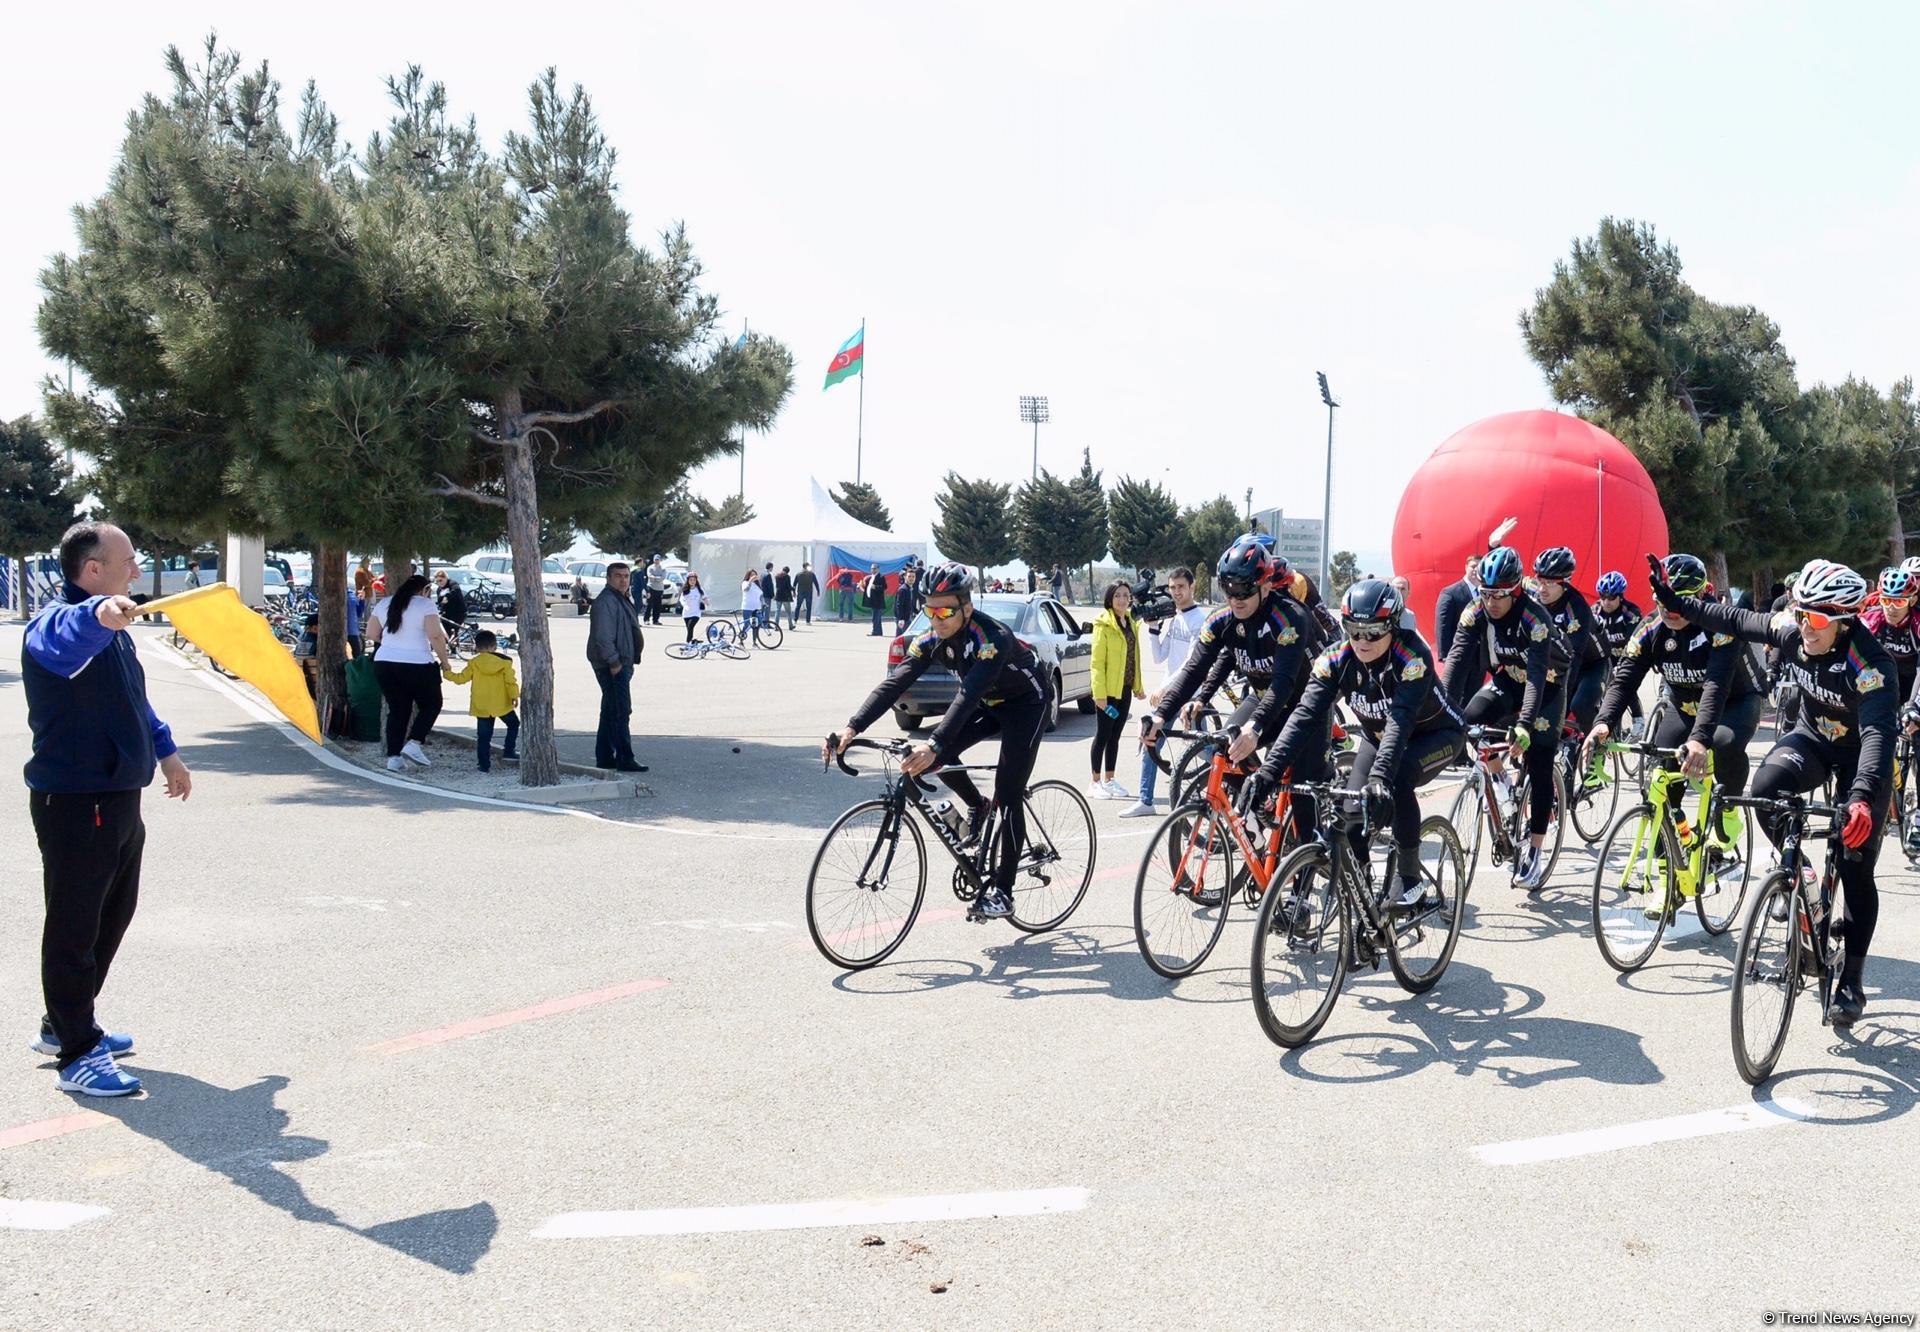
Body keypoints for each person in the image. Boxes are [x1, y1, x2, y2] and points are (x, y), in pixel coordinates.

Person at [1647, 556, 1891, 1024]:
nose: (1805, 627)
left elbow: (1878, 737)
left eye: (1816, 619)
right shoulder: (1793, 631)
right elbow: (1734, 618)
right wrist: (1677, 602)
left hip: (1862, 757)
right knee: (1765, 788)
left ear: (1842, 621)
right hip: (1815, 740)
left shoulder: (1869, 663)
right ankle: (1800, 878)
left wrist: (1861, 797)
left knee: (1856, 865)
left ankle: (1852, 982)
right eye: (1800, 615)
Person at [23, 521, 193, 1097]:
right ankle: (76, 1055)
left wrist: (166, 752)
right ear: (92, 571)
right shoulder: (58, 625)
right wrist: (98, 615)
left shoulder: (117, 633)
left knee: (111, 916)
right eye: (127, 562)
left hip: (118, 795)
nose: (137, 571)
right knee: (74, 927)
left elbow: (132, 701)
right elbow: (67, 629)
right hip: (76, 801)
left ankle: (65, 1022)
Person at [828, 563, 1051, 921]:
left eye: (945, 610)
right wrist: (851, 728)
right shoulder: (930, 638)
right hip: (991, 703)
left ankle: (1004, 892)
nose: (937, 618)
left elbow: (967, 694)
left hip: (1027, 703)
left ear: (966, 606)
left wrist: (932, 743)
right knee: (938, 759)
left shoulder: (991, 638)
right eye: (929, 609)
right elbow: (895, 683)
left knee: (1008, 792)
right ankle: (977, 805)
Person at [1244, 579, 1465, 909]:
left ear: (1392, 627)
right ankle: (1363, 896)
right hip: (1379, 739)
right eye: (1353, 630)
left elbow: (1400, 722)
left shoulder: (1411, 657)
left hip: (1435, 735)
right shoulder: (1334, 659)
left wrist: (1379, 781)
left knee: (1398, 777)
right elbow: (1304, 716)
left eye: (1373, 632)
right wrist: (1267, 774)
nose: (1362, 640)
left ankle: (1410, 879)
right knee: (1350, 816)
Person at [1587, 554, 1765, 904]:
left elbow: (1716, 685)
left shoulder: (1720, 625)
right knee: (1662, 778)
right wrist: (1603, 723)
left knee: (1723, 743)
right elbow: (1624, 680)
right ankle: (1670, 877)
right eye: (1665, 603)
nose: (1671, 612)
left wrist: (1699, 740)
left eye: (1681, 603)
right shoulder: (1652, 628)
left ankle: (1728, 810)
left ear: (1700, 597)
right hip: (1684, 707)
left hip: (1734, 703)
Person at [1142, 537, 1319, 836]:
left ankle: (1309, 858)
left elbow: (1284, 683)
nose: (1236, 597)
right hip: (1265, 698)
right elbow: (1194, 670)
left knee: (1302, 804)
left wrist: (1256, 728)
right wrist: (1161, 715)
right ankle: (1260, 810)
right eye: (1228, 589)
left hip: (1302, 707)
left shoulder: (1289, 618)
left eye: (1245, 589)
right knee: (1226, 745)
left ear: (1265, 586)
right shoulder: (1220, 620)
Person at [1442, 545, 1572, 890]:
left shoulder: (1535, 617)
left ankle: (1535, 851)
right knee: (1471, 720)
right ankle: (1501, 783)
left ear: (1515, 590)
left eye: (1500, 595)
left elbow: (1536, 675)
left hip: (1545, 688)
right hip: (1507, 679)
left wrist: (1526, 724)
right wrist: (1440, 709)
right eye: (1486, 594)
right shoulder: (1475, 611)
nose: (1492, 602)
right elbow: (1455, 661)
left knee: (1540, 761)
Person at [1120, 567, 1208, 818]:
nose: (1176, 592)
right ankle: (1145, 800)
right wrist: (1154, 628)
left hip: (1190, 694)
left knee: (1202, 747)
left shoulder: (1199, 620)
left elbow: (1191, 663)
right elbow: (1159, 657)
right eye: (1172, 587)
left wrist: (1164, 688)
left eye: (1181, 587)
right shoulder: (1175, 618)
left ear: (1192, 587)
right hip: (1171, 691)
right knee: (1151, 739)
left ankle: (1233, 775)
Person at [366, 574, 452, 773]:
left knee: (398, 710)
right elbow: (435, 635)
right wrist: (445, 662)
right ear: (425, 590)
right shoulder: (425, 604)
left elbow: (371, 633)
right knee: (432, 704)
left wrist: (391, 644)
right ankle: (414, 743)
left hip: (385, 662)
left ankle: (394, 758)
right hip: (417, 662)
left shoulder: (386, 603)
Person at [1531, 546, 1605, 733]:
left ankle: (1594, 741)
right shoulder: (1535, 594)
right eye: (1539, 580)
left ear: (1564, 583)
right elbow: (1508, 584)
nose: (1541, 588)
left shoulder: (1576, 608)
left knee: (1578, 705)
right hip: (1556, 662)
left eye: (1549, 583)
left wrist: (1558, 708)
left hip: (1592, 664)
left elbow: (1573, 658)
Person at [1089, 580, 1147, 800]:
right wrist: (1099, 694)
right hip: (1107, 692)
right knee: (1103, 735)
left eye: (1126, 595)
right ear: (1109, 599)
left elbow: (1134, 657)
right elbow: (1096, 662)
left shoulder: (1130, 622)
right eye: (1117, 596)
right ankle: (1094, 782)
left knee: (1115, 736)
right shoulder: (1103, 624)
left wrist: (1138, 687)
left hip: (1124, 688)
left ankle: (1109, 780)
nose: (1122, 599)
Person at [587, 562, 647, 773]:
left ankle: (604, 756)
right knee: (621, 711)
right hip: (612, 665)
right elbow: (603, 637)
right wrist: (614, 663)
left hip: (622, 662)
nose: (623, 580)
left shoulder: (620, 599)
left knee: (611, 710)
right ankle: (624, 757)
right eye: (618, 576)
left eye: (626, 576)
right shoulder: (606, 602)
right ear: (609, 578)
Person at [443, 630, 520, 772]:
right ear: (494, 647)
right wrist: (514, 696)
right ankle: (509, 751)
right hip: (501, 703)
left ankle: (484, 765)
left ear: (477, 647)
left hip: (482, 705)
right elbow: (510, 682)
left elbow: (461, 679)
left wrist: (447, 673)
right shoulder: (504, 663)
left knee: (483, 736)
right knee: (514, 724)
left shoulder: (474, 663)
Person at [1590, 570, 1645, 733]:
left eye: (1611, 597)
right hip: (1605, 656)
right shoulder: (1594, 611)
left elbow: (1633, 642)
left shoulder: (1631, 613)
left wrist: (1621, 665)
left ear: (1620, 597)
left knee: (1623, 680)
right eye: (1603, 596)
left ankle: (1638, 720)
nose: (1606, 601)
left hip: (1628, 654)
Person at [1434, 555, 1480, 662]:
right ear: (1466, 567)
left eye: (1480, 567)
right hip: (1458, 655)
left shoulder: (1485, 594)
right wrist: (1445, 655)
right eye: (1473, 566)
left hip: (1479, 658)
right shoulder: (1450, 593)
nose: (1476, 569)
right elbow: (1443, 625)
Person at [680, 573, 706, 643]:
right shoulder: (685, 590)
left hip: (696, 613)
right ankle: (693, 642)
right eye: (690, 580)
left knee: (690, 627)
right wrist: (684, 605)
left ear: (696, 581)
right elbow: (682, 600)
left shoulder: (700, 589)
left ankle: (687, 644)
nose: (692, 581)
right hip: (686, 613)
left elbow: (705, 597)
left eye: (694, 580)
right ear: (688, 581)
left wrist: (706, 601)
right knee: (689, 629)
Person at [740, 568, 765, 640]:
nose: (754, 576)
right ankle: (741, 639)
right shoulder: (745, 583)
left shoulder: (757, 585)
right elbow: (746, 589)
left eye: (755, 575)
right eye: (751, 575)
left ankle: (755, 642)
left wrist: (763, 603)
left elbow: (760, 595)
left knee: (755, 625)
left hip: (756, 607)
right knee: (747, 624)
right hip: (747, 607)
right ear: (748, 576)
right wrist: (750, 581)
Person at [863, 564, 887, 636]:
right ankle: (879, 632)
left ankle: (875, 631)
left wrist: (876, 587)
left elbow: (884, 587)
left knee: (876, 618)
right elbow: (867, 587)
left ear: (878, 569)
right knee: (876, 617)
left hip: (878, 601)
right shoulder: (870, 577)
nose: (873, 570)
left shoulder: (881, 577)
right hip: (872, 600)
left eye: (874, 568)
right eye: (872, 569)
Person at [893, 567, 919, 635]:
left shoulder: (910, 589)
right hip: (903, 619)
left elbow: (910, 604)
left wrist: (917, 612)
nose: (911, 578)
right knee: (902, 640)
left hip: (907, 618)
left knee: (904, 639)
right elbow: (899, 605)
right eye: (909, 576)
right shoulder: (903, 590)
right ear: (905, 577)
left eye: (913, 576)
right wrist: (901, 619)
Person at [644, 555, 669, 626]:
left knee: (658, 605)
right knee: (649, 604)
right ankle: (646, 619)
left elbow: (663, 577)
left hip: (660, 589)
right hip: (651, 587)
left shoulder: (663, 568)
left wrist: (655, 578)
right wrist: (658, 578)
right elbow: (649, 576)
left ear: (660, 560)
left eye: (658, 559)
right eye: (655, 559)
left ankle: (655, 620)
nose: (656, 561)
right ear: (653, 560)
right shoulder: (650, 567)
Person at [346, 586, 367, 660]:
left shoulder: (331, 595)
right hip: (352, 631)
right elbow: (359, 613)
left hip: (337, 632)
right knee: (357, 657)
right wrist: (362, 600)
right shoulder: (352, 596)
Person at [775, 564, 796, 629]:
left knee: (777, 611)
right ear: (788, 572)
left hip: (778, 595)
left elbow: (777, 586)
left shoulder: (777, 576)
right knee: (788, 612)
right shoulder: (787, 577)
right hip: (785, 596)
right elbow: (788, 587)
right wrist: (793, 589)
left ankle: (776, 626)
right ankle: (790, 626)